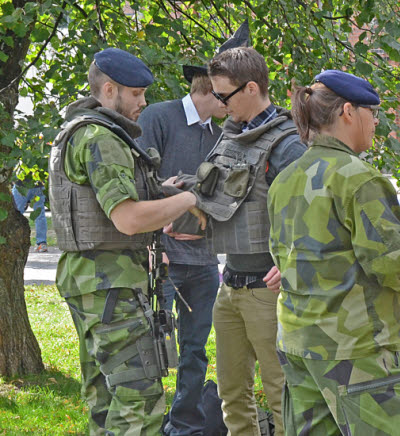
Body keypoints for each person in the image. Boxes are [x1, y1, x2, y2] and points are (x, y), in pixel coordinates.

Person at [48, 48, 206, 435]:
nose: (143, 102)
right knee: (140, 402)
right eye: (135, 94)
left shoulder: (80, 129)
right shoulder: (102, 139)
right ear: (108, 90)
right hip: (111, 285)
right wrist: (188, 200)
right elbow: (128, 219)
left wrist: (161, 191)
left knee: (105, 401)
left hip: (92, 282)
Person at [267, 70, 400, 435]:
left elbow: (281, 257)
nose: (376, 123)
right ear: (349, 112)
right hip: (357, 348)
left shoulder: (285, 179)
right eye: (373, 113)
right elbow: (389, 264)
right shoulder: (359, 178)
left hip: (298, 343)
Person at [190, 46, 306, 434]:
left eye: (224, 96)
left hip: (266, 291)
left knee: (282, 395)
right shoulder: (232, 136)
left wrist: (288, 264)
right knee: (231, 394)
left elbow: (309, 217)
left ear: (252, 88)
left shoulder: (287, 145)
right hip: (231, 286)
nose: (220, 106)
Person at [135, 64, 228, 435]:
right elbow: (133, 183)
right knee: (152, 349)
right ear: (213, 91)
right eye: (227, 93)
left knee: (195, 349)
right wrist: (166, 193)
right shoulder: (159, 116)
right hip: (161, 257)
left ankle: (184, 426)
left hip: (204, 261)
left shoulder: (223, 134)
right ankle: (147, 424)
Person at [12, 170, 47, 252]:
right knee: (40, 215)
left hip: (21, 184)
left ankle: (15, 241)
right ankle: (42, 243)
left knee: (16, 214)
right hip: (38, 184)